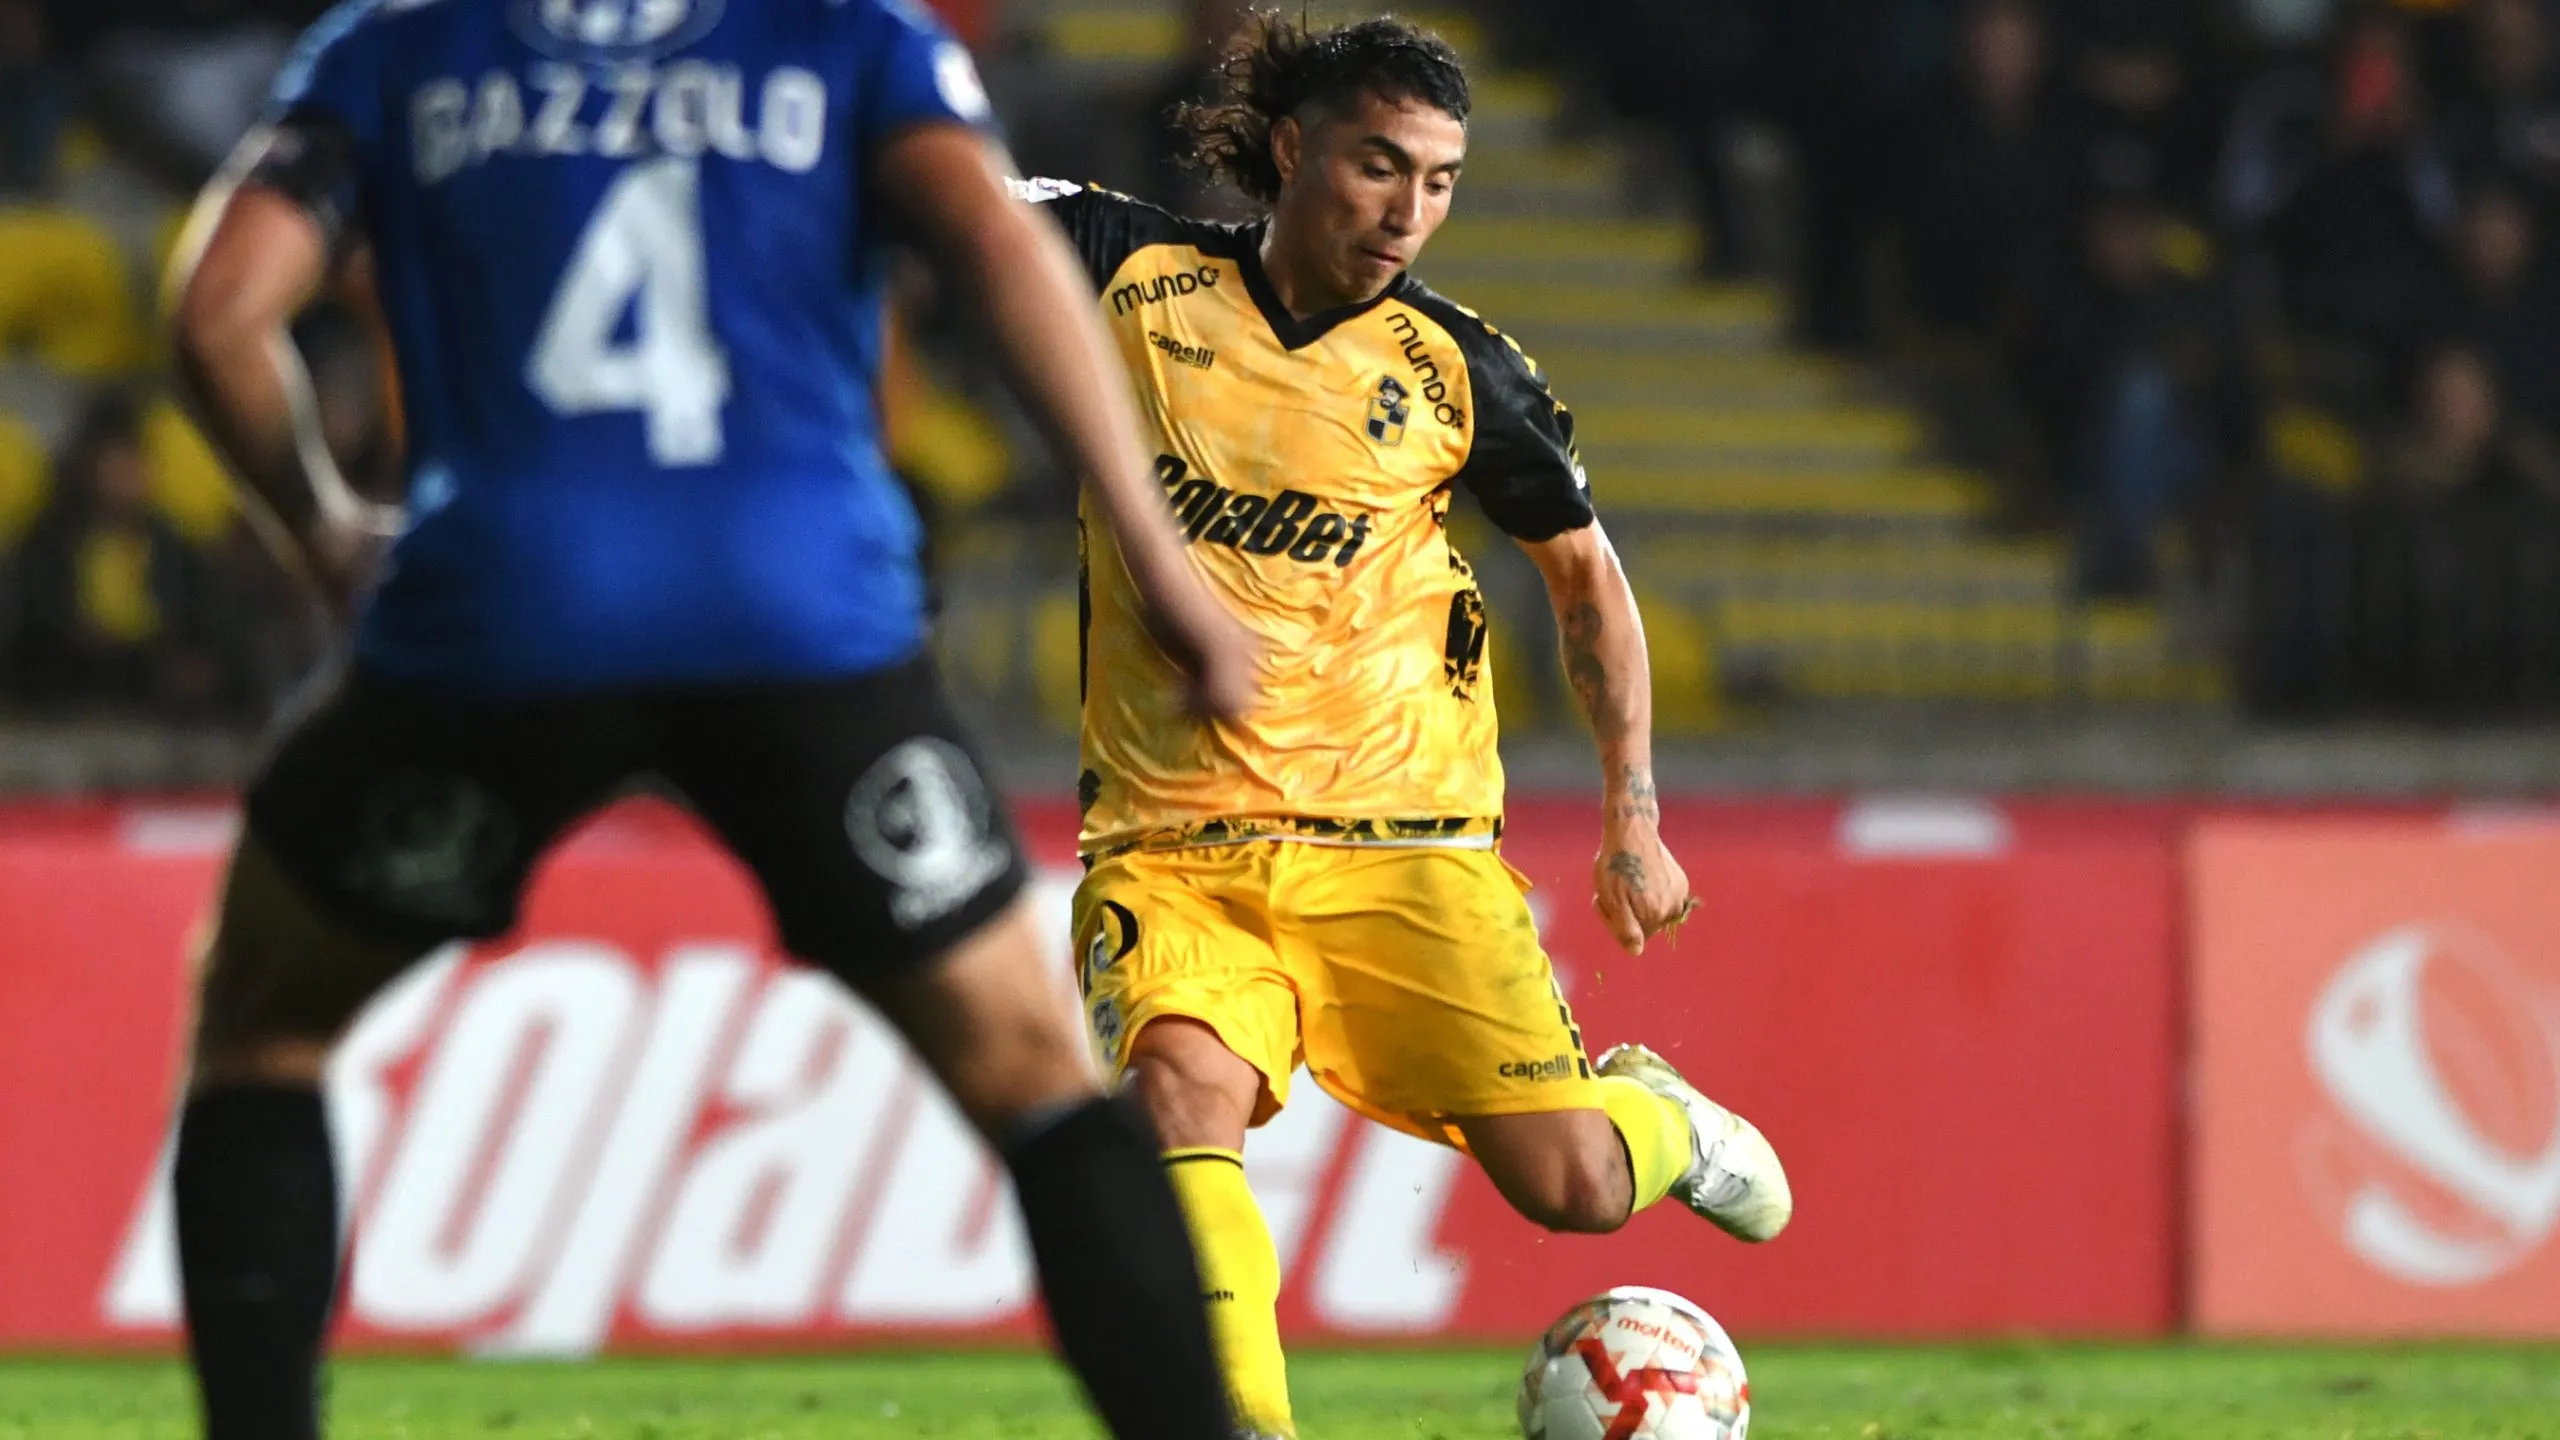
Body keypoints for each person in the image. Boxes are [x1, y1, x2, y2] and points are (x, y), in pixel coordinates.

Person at [160, 0, 1259, 1436]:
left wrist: (321, 525)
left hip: (501, 614)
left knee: (263, 1024)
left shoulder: (398, 48)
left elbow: (217, 313)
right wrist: (1158, 563)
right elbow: (999, 250)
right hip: (801, 621)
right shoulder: (855, 39)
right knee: (1032, 1071)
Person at [1018, 15, 1792, 1439]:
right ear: (1296, 147)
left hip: (1403, 849)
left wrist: (1633, 818)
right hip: (1171, 842)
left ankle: (1664, 1122)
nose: (1408, 212)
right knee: (1180, 1091)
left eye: (1439, 181)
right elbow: (933, 186)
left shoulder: (1460, 373)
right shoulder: (1129, 269)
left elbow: (1588, 586)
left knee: (1574, 1186)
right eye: (1381, 166)